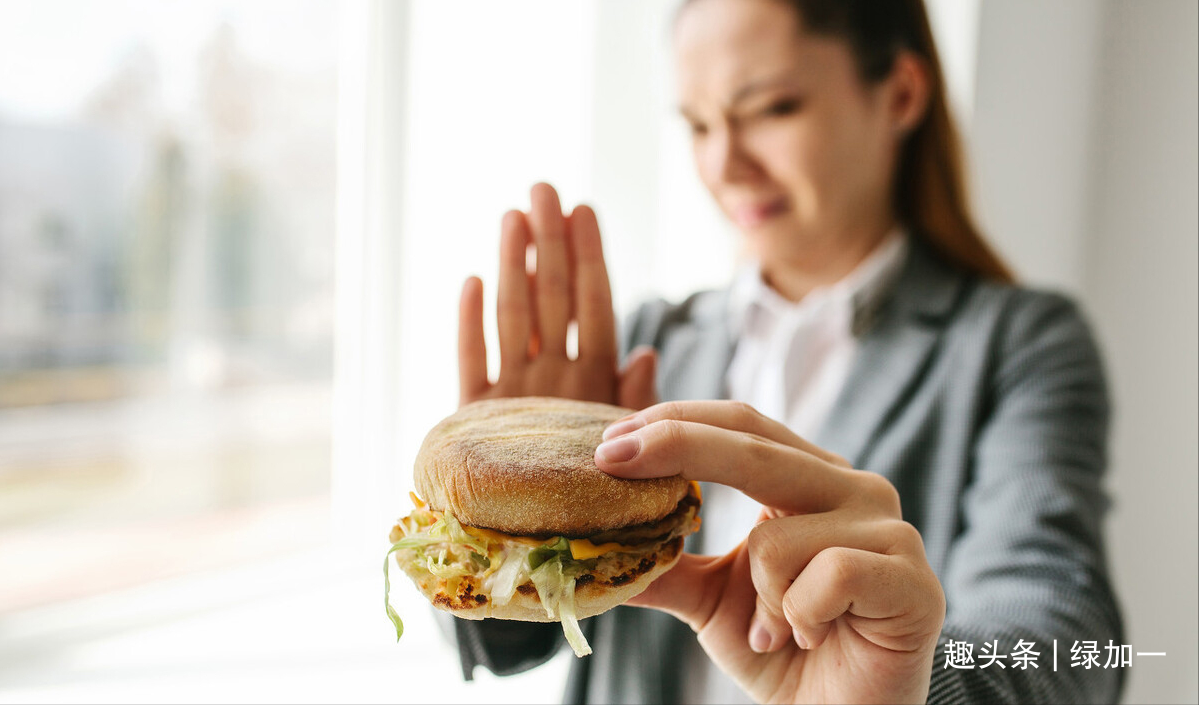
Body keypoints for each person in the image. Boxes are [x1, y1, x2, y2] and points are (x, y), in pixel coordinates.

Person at [449, 0, 1123, 702]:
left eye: (770, 108)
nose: (723, 163)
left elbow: (1068, 634)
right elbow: (512, 643)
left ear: (899, 93)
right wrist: (502, 534)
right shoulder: (645, 345)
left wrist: (908, 686)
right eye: (698, 123)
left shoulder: (1016, 345)